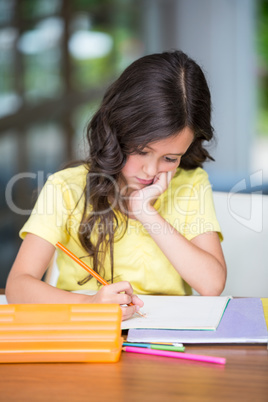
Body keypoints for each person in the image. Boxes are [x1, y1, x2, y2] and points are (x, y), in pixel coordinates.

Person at [6, 50, 227, 320]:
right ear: (117, 131)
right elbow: (17, 287)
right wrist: (90, 306)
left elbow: (212, 284)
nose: (151, 170)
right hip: (83, 329)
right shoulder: (64, 187)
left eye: (170, 158)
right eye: (141, 151)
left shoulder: (191, 183)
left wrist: (146, 212)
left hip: (162, 333)